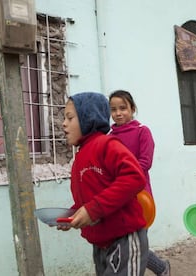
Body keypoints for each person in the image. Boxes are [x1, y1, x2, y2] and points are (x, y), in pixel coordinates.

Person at [59, 91, 149, 276]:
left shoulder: (107, 145)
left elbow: (135, 177)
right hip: (99, 242)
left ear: (87, 118)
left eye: (70, 118)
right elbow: (89, 197)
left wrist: (93, 209)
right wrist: (73, 215)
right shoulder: (80, 158)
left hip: (124, 237)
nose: (64, 124)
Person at [108, 90, 170, 276]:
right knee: (122, 244)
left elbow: (145, 162)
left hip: (139, 195)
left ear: (132, 109)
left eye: (123, 108)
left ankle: (158, 268)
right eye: (113, 109)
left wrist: (123, 180)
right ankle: (161, 267)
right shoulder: (109, 138)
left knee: (136, 242)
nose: (118, 113)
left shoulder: (142, 131)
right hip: (117, 196)